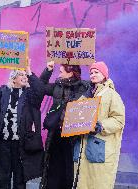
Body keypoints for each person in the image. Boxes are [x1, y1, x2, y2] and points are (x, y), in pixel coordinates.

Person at [0, 60, 44, 189]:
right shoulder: (0, 93)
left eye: (25, 75)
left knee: (20, 180)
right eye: (21, 74)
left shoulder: (30, 97)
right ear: (13, 79)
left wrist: (29, 70)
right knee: (2, 179)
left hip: (21, 144)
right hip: (3, 144)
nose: (25, 77)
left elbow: (40, 91)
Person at [73, 61, 125, 189]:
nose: (93, 75)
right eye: (91, 72)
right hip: (82, 149)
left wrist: (100, 126)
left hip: (99, 148)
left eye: (96, 72)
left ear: (104, 75)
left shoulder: (112, 95)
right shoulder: (87, 94)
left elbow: (118, 120)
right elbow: (76, 116)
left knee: (98, 184)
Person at [38, 61, 90, 189]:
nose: (59, 74)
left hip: (72, 137)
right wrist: (48, 70)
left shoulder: (84, 87)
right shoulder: (57, 85)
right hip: (55, 134)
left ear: (70, 72)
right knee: (53, 169)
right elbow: (41, 86)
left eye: (61, 72)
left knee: (68, 172)